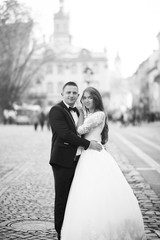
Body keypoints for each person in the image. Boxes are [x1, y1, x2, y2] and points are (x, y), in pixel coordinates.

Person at [61, 87, 146, 240]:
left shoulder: (99, 115)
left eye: (90, 98)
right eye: (85, 98)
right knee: (85, 192)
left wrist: (80, 114)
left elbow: (79, 130)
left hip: (94, 156)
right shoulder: (90, 114)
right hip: (88, 155)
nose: (86, 100)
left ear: (96, 99)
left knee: (98, 191)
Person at [49, 82, 102, 240]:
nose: (71, 95)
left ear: (78, 96)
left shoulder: (80, 112)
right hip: (62, 161)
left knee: (75, 197)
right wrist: (88, 144)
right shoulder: (56, 110)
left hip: (79, 160)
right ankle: (60, 231)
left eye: (74, 93)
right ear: (62, 94)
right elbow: (65, 134)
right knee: (62, 197)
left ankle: (73, 228)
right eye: (68, 92)